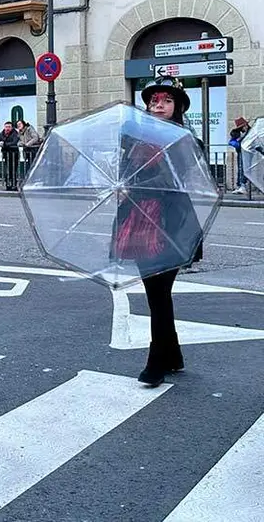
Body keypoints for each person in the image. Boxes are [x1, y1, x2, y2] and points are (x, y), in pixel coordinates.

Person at [114, 77, 203, 387]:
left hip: (171, 222)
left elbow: (175, 182)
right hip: (138, 222)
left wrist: (135, 187)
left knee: (159, 294)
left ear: (177, 106)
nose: (159, 106)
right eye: (154, 101)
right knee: (157, 294)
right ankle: (172, 355)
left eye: (166, 101)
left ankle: (156, 362)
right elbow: (124, 172)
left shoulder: (184, 139)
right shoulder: (133, 138)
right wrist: (122, 186)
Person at [0, 121, 21, 191]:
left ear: (12, 127)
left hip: (14, 154)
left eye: (9, 127)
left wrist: (4, 144)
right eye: (6, 127)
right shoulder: (2, 133)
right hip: (6, 154)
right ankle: (8, 184)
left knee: (13, 170)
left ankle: (14, 185)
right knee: (8, 170)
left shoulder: (15, 133)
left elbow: (14, 142)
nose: (7, 128)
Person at [229, 117, 250, 194]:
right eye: (243, 127)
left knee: (244, 168)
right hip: (241, 152)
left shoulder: (249, 133)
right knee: (240, 168)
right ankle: (240, 185)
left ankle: (243, 185)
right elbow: (232, 141)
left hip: (247, 153)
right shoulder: (238, 133)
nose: (245, 127)